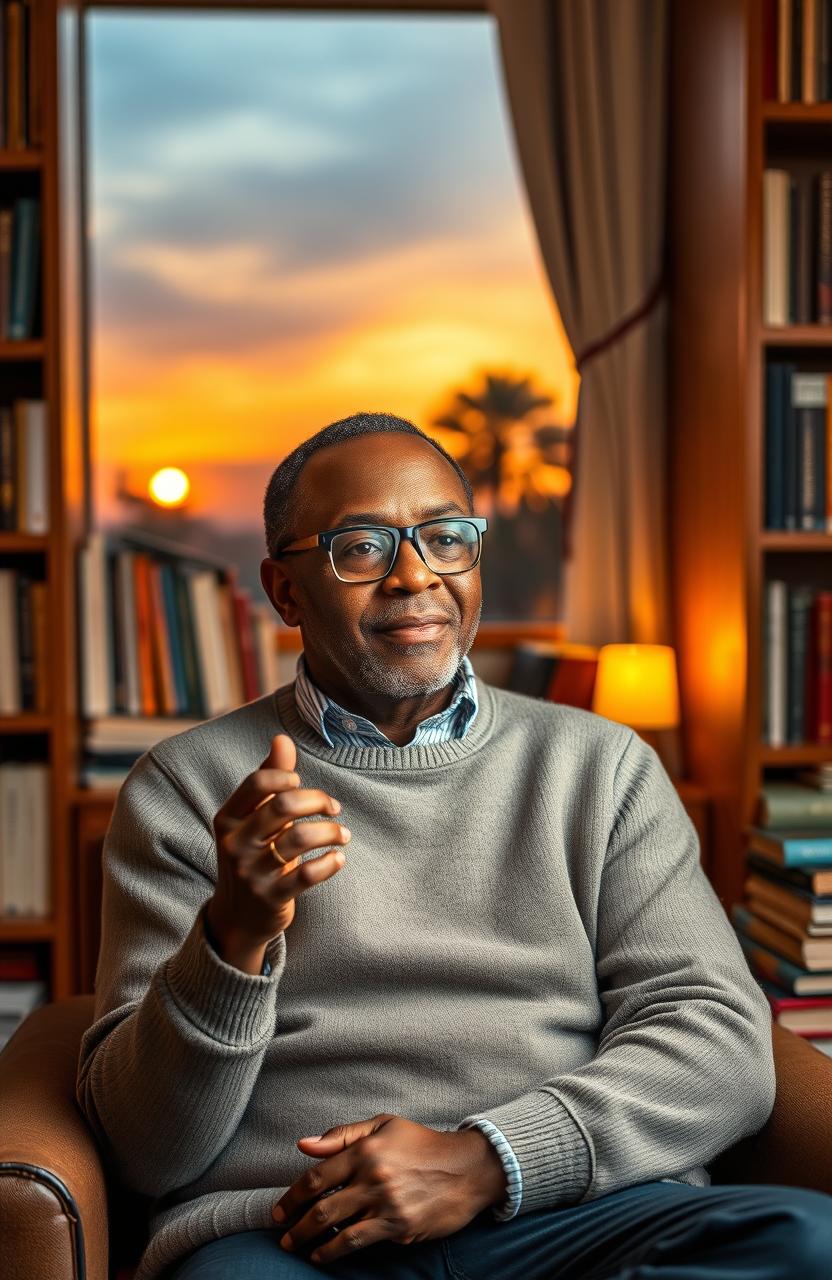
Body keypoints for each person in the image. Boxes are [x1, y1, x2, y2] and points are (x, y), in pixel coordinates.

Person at [77, 412, 832, 1280]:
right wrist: (233, 936)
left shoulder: (601, 767)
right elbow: (142, 1151)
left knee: (809, 1244)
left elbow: (720, 1043)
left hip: (573, 1215)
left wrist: (487, 1161)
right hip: (296, 1232)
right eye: (360, 547)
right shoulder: (185, 787)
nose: (413, 575)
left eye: (444, 538)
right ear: (286, 592)